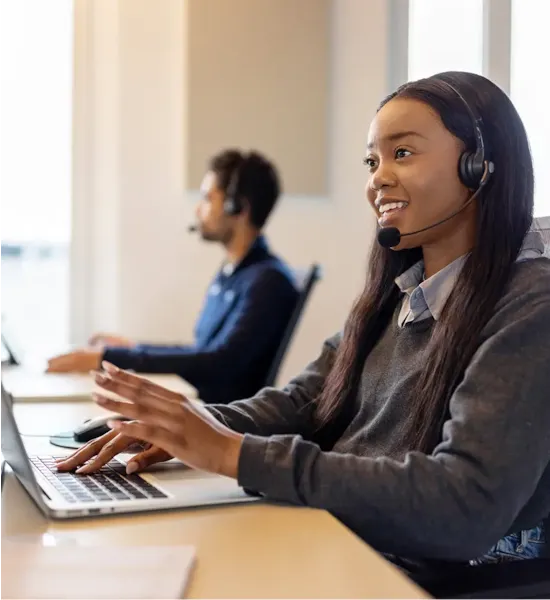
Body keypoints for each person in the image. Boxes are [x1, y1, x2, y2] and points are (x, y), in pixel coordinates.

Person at [56, 72, 550, 577]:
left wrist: (235, 455)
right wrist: (197, 427)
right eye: (372, 161)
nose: (378, 178)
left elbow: (463, 506)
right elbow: (301, 402)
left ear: (480, 167)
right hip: (345, 542)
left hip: (419, 578)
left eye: (402, 153)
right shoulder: (400, 293)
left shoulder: (531, 305)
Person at [47, 149, 298, 404]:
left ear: (238, 207)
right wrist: (131, 348)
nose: (199, 210)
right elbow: (201, 352)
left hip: (220, 418)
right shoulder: (234, 273)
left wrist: (107, 357)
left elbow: (219, 362)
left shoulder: (268, 281)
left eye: (208, 198)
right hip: (200, 407)